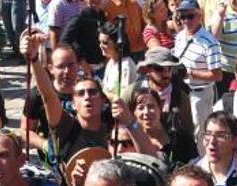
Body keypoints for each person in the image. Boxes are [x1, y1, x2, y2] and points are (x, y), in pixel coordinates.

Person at [23, 31, 156, 173]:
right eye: (80, 93)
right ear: (73, 104)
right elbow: (48, 96)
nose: (87, 96)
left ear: (104, 100)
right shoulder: (66, 126)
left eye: (93, 92)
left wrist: (130, 121)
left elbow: (150, 158)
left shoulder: (113, 124)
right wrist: (34, 59)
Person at [173, 0, 222, 146]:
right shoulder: (180, 36)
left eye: (190, 16)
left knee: (200, 135)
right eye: (182, 17)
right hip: (181, 92)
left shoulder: (210, 42)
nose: (186, 20)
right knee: (183, 130)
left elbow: (217, 75)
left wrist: (191, 73)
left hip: (200, 94)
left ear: (199, 15)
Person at [21, 43, 79, 153]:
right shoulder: (37, 95)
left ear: (78, 65)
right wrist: (45, 145)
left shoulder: (88, 91)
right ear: (51, 68)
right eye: (61, 66)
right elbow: (25, 131)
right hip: (52, 158)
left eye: (71, 65)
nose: (67, 71)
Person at [131, 46, 194, 136]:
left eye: (169, 68)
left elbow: (188, 131)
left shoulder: (180, 96)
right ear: (147, 70)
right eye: (159, 68)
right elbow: (123, 123)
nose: (166, 73)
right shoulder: (133, 92)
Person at [130, 86, 198, 165]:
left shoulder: (182, 137)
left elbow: (195, 166)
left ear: (160, 108)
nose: (146, 112)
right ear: (134, 113)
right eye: (141, 108)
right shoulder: (130, 141)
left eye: (151, 107)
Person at [99, 20, 138, 102]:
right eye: (100, 42)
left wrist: (103, 93)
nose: (101, 46)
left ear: (117, 44)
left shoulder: (126, 66)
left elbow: (123, 98)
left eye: (105, 43)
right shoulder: (110, 62)